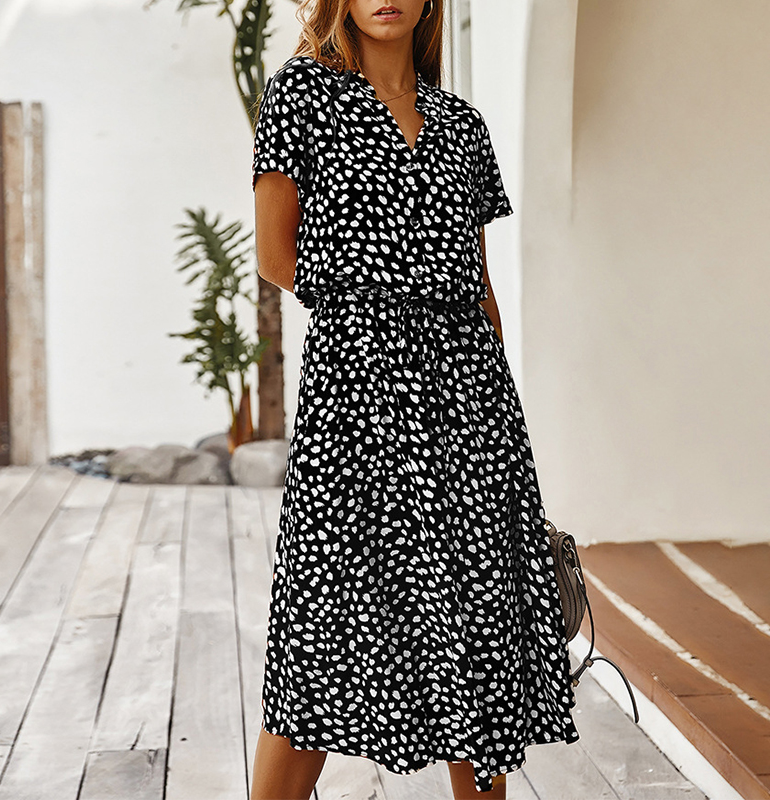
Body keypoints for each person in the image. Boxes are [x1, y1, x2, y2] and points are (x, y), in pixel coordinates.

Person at [250, 1, 580, 798]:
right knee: (326, 623)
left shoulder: (462, 124)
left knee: (476, 621)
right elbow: (273, 254)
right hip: (354, 394)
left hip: (469, 401)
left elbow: (480, 285)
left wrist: (497, 420)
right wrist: (374, 315)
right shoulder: (301, 93)